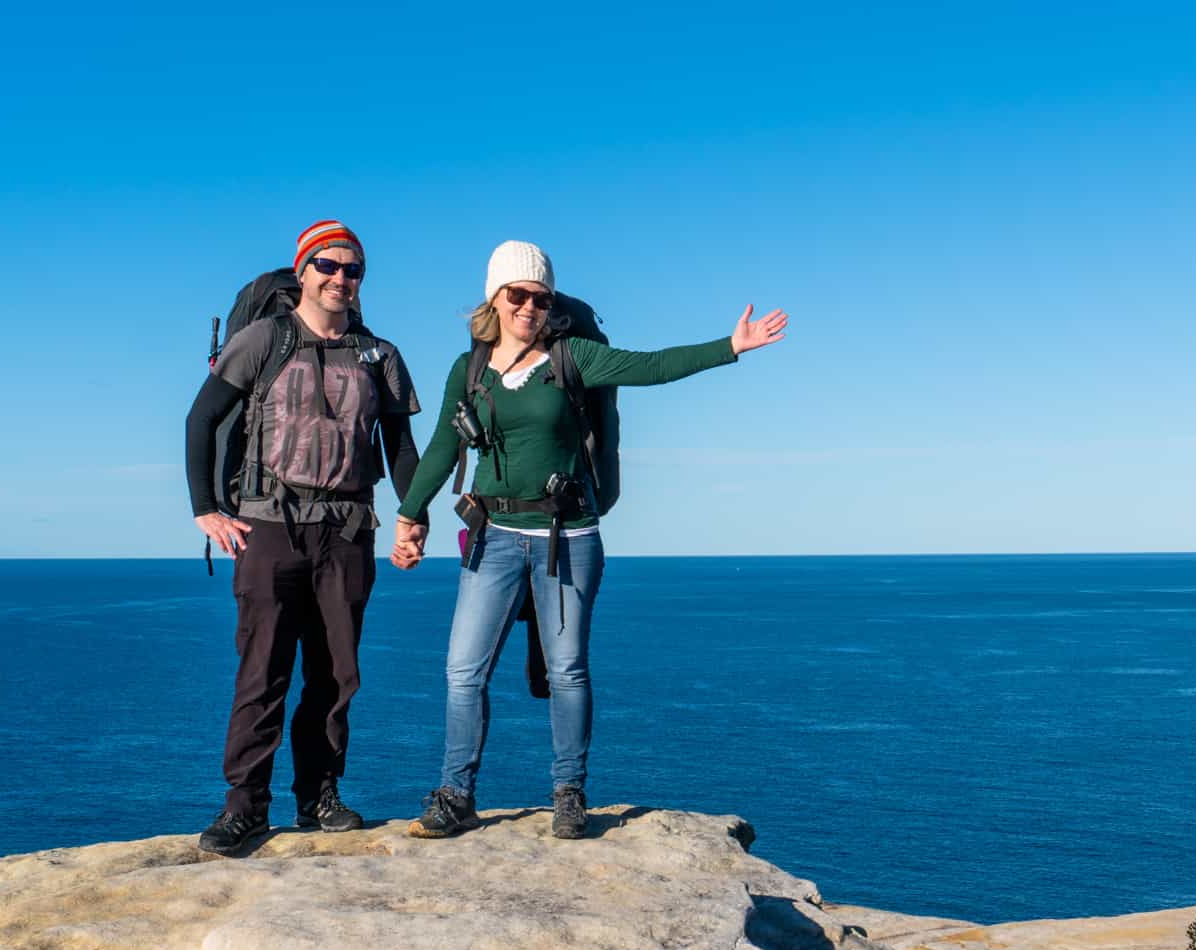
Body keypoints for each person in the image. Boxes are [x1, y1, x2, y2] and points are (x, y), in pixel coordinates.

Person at [392, 239, 786, 839]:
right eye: (518, 295)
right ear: (494, 298)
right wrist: (410, 514)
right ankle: (456, 794)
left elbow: (653, 366)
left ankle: (569, 793)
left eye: (540, 297)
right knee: (462, 671)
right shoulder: (468, 369)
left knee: (568, 669)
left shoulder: (573, 357)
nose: (529, 306)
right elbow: (446, 448)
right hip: (492, 536)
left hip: (566, 536)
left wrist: (731, 346)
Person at [184, 220, 422, 854]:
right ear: (303, 271)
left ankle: (319, 796)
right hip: (268, 528)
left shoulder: (380, 355)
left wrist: (414, 512)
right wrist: (206, 508)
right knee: (261, 672)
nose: (341, 278)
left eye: (353, 270)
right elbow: (203, 418)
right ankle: (245, 808)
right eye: (329, 266)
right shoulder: (265, 339)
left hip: (346, 530)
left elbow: (398, 446)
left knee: (336, 675)